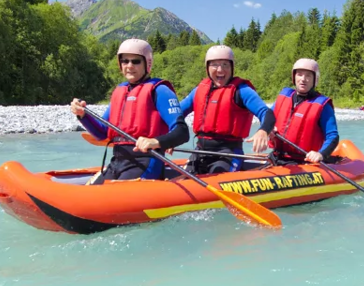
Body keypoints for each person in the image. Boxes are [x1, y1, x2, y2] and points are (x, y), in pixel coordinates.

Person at [70, 39, 186, 184]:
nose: (129, 66)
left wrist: (156, 141)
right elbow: (102, 133)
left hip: (146, 162)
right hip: (118, 161)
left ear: (147, 64)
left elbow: (182, 132)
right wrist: (83, 115)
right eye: (125, 61)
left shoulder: (160, 90)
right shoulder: (120, 92)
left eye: (136, 61)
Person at [158, 44, 273, 174]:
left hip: (228, 154)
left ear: (232, 67)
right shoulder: (199, 90)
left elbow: (267, 113)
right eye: (214, 65)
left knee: (217, 174)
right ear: (207, 68)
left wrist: (263, 131)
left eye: (225, 65)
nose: (220, 70)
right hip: (199, 151)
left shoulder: (242, 91)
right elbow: (176, 115)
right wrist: (170, 138)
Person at [270, 58, 340, 164]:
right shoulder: (284, 96)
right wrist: (267, 128)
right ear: (294, 77)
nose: (303, 79)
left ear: (314, 79)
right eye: (299, 74)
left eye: (308, 76)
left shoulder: (322, 106)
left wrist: (320, 154)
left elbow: (332, 136)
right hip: (276, 156)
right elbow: (267, 117)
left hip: (303, 162)